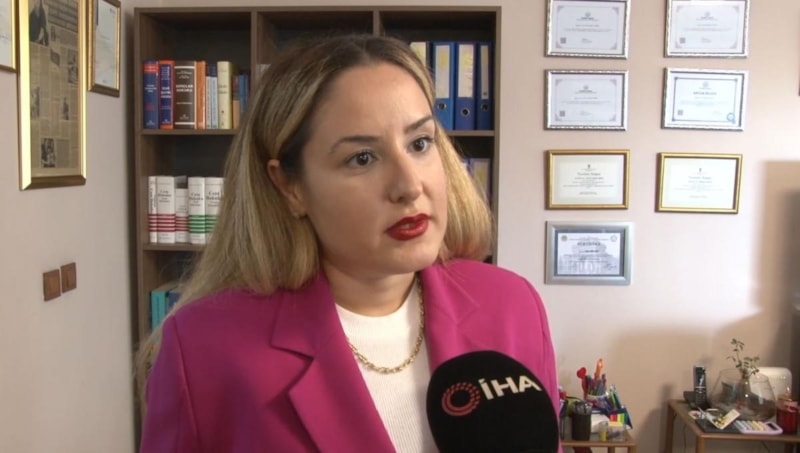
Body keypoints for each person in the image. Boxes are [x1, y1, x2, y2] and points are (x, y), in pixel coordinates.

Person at [137, 34, 560, 452]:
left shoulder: (512, 306)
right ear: (289, 187)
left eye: (420, 143)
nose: (409, 186)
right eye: (362, 158)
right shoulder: (202, 349)